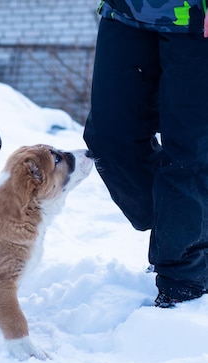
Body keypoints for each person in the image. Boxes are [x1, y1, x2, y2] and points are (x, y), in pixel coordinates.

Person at [83, 1, 208, 307]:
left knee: (188, 153)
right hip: (125, 11)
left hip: (196, 21)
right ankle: (180, 226)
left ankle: (184, 282)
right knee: (109, 137)